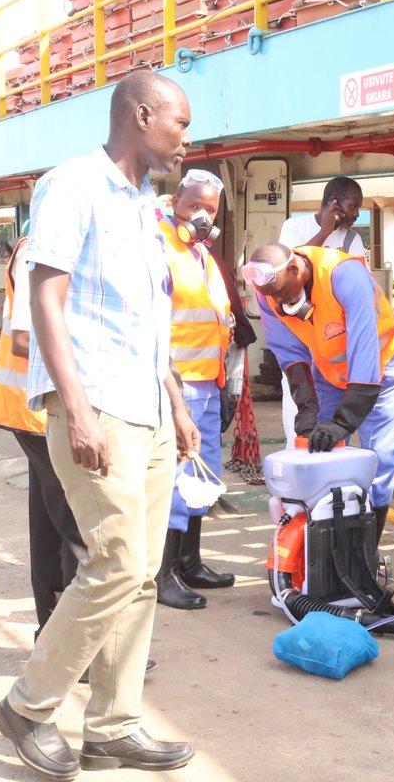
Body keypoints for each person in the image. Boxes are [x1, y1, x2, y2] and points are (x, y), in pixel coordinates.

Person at [0, 70, 200, 779]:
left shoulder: (144, 207)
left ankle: (113, 726)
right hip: (100, 407)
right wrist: (75, 408)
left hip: (149, 409)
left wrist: (175, 401)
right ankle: (28, 705)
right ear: (142, 115)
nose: (186, 139)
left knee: (142, 575)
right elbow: (45, 301)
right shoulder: (72, 186)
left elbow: (144, 320)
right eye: (180, 123)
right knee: (114, 564)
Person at [244, 241, 394, 544]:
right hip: (331, 373)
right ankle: (326, 549)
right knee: (319, 451)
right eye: (273, 296)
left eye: (282, 292)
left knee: (378, 463)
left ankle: (365, 556)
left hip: (383, 370)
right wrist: (307, 407)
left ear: (295, 269)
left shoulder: (344, 275)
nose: (279, 301)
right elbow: (289, 353)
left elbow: (364, 352)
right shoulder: (268, 293)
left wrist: (344, 421)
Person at [0, 235, 86, 640]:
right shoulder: (41, 251)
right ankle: (76, 645)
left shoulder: (55, 248)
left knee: (51, 521)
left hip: (39, 408)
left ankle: (53, 636)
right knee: (80, 525)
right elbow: (25, 339)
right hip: (43, 409)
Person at [154, 169, 237, 610]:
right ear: (174, 204)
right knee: (173, 482)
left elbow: (217, 323)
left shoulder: (201, 254)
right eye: (194, 206)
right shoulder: (160, 247)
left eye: (210, 209)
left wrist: (224, 384)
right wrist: (173, 397)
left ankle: (189, 561)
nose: (202, 216)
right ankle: (162, 573)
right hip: (176, 387)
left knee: (202, 478)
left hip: (207, 382)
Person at [278, 175, 366, 257]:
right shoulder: (294, 225)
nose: (357, 214)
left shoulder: (353, 238)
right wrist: (324, 232)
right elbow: (290, 263)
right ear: (334, 202)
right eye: (353, 206)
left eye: (358, 208)